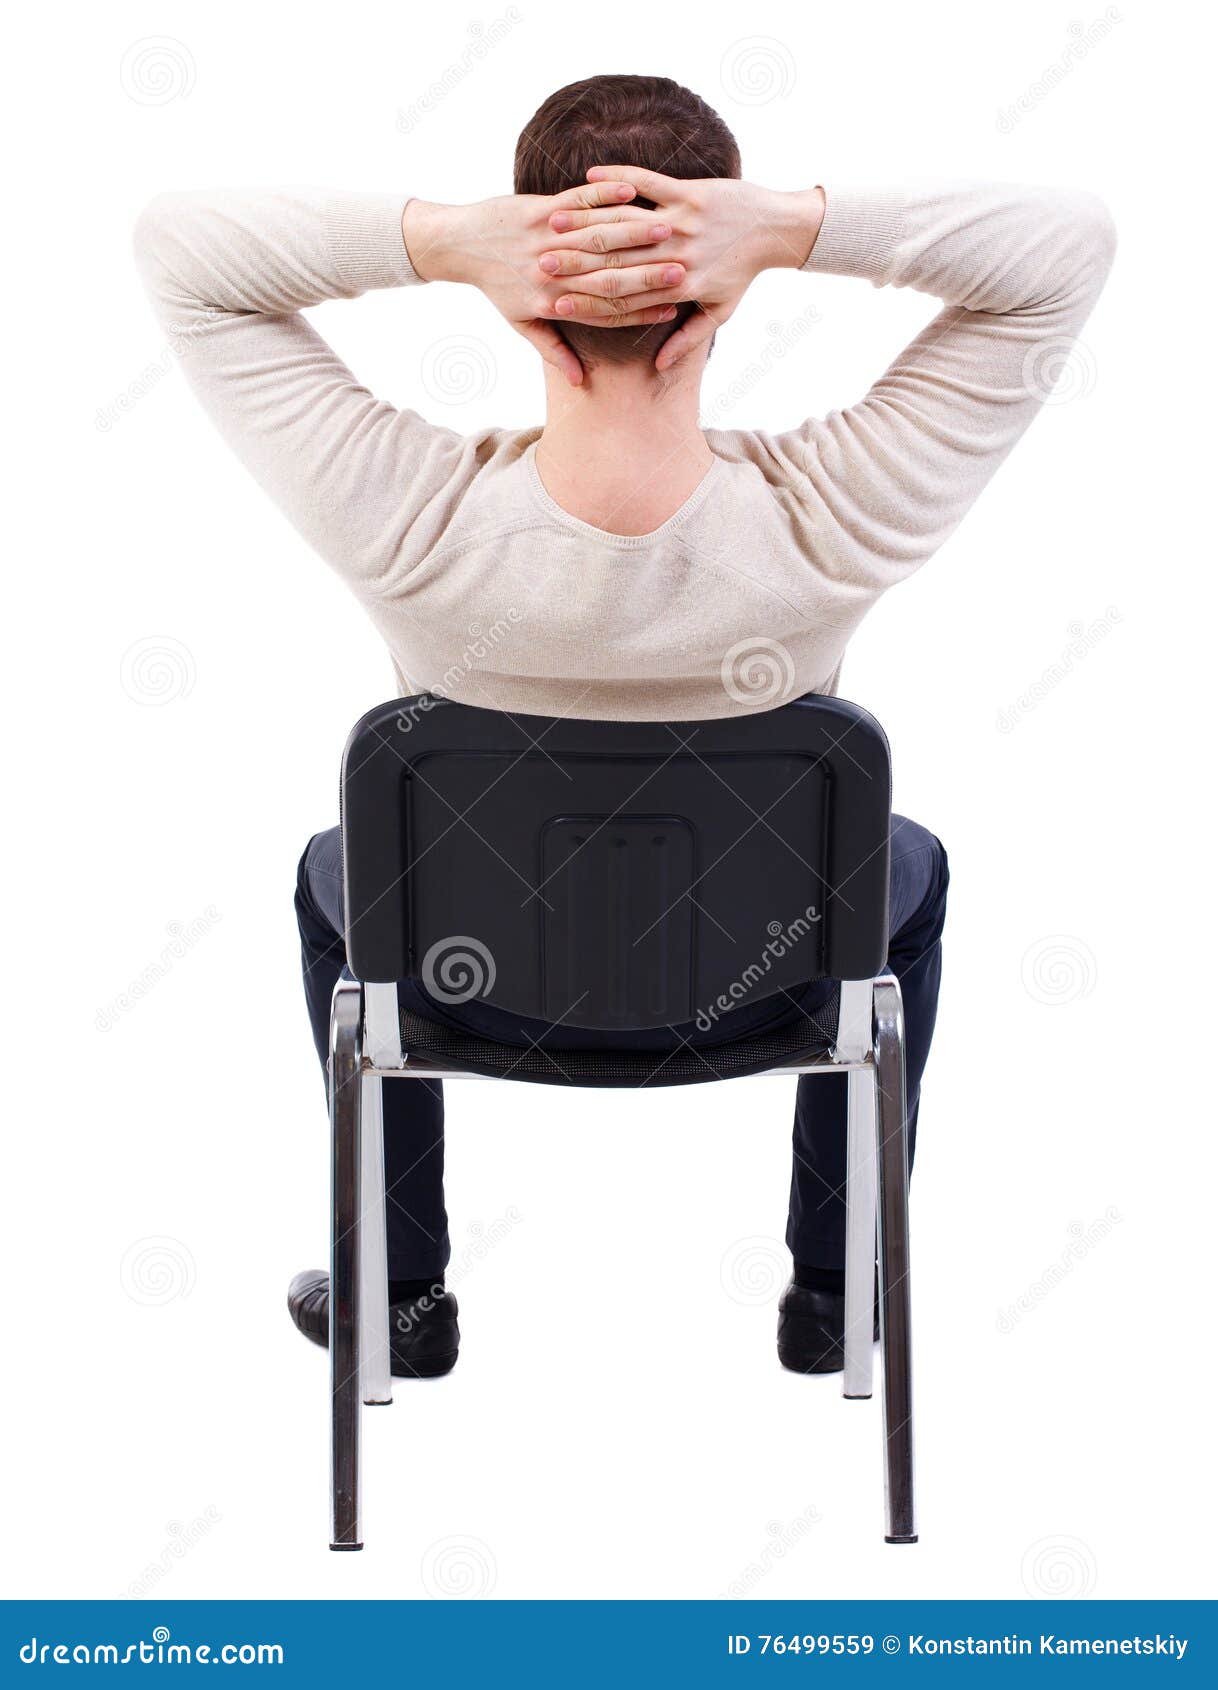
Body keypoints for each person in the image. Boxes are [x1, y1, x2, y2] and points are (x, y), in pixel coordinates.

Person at [134, 73, 1115, 1379]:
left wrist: (450, 242)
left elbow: (181, 253)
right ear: (723, 286)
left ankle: (399, 1295)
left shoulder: (405, 518)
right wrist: (788, 228)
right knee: (906, 863)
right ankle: (838, 1290)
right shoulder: (836, 513)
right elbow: (1066, 249)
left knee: (339, 866)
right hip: (767, 981)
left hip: (469, 980)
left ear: (525, 285)